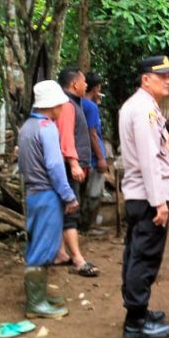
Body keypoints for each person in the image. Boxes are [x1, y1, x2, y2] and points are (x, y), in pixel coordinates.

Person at [118, 55, 169, 338]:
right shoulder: (143, 110)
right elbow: (149, 159)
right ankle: (135, 321)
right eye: (162, 75)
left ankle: (138, 310)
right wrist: (159, 202)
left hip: (139, 195)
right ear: (146, 79)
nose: (168, 80)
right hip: (147, 196)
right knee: (144, 256)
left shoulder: (142, 106)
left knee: (136, 252)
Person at [18, 80, 80, 319]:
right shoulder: (48, 128)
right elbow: (55, 166)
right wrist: (68, 195)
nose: (62, 108)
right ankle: (35, 304)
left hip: (32, 193)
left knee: (37, 243)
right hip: (46, 194)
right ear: (52, 105)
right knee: (43, 248)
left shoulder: (28, 127)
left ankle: (39, 296)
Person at [54, 66, 99, 278]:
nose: (86, 85)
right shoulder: (67, 105)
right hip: (68, 166)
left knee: (65, 209)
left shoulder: (73, 103)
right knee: (71, 209)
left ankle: (61, 253)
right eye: (83, 81)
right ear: (74, 84)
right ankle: (78, 259)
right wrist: (73, 163)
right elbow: (66, 137)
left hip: (70, 165)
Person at [81, 72, 110, 234]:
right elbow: (92, 133)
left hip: (84, 155)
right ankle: (87, 227)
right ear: (96, 87)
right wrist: (100, 158)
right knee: (93, 193)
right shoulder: (90, 107)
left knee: (84, 192)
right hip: (92, 157)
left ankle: (82, 225)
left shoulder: (79, 103)